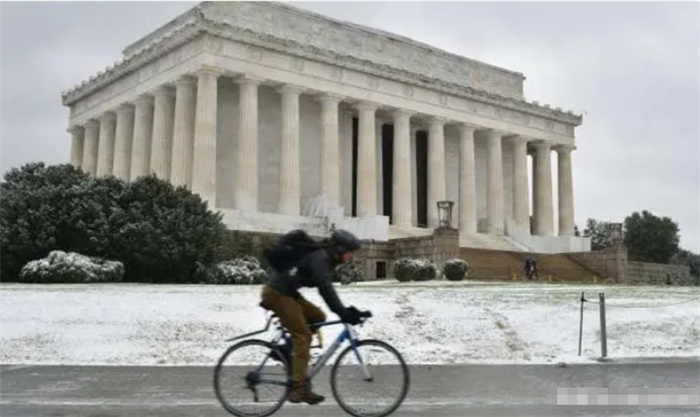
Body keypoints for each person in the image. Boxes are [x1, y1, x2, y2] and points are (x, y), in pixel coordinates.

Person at [260, 229, 368, 405]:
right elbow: (325, 288)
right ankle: (297, 389)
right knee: (303, 336)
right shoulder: (320, 258)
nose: (351, 258)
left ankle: (288, 352)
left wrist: (344, 311)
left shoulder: (325, 258)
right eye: (350, 253)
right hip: (277, 294)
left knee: (318, 316)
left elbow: (326, 288)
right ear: (340, 250)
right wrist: (343, 312)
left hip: (287, 292)